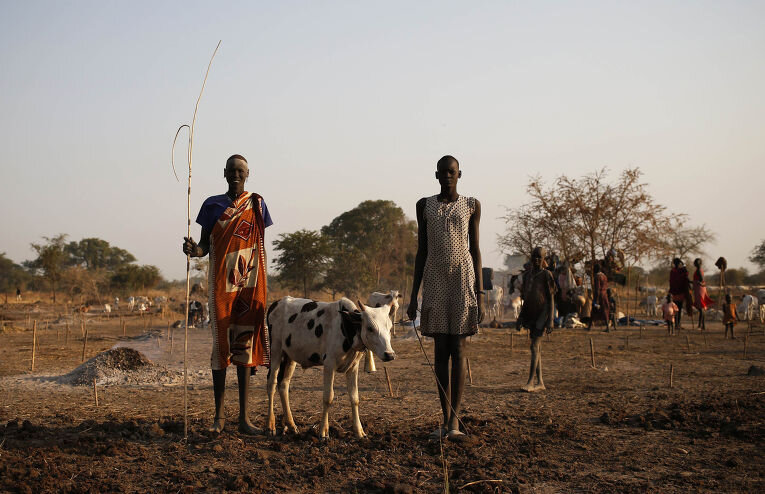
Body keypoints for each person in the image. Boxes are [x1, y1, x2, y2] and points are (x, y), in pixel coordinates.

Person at [182, 154, 273, 434]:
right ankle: (218, 418)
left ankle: (245, 419)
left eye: (240, 171)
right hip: (221, 286)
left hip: (249, 285)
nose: (236, 174)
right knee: (221, 348)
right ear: (224, 173)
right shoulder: (211, 205)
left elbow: (258, 245)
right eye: (231, 170)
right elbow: (203, 247)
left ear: (248, 174)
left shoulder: (257, 204)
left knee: (245, 347)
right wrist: (192, 251)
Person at [407, 155, 483, 440]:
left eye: (452, 172)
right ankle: (445, 418)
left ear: (459, 174)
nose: (447, 176)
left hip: (463, 280)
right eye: (443, 172)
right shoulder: (424, 206)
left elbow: (475, 250)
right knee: (440, 352)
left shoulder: (471, 205)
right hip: (435, 279)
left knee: (458, 350)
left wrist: (481, 294)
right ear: (436, 175)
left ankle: (454, 419)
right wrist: (413, 296)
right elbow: (421, 251)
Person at [516, 247, 556, 392]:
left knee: (534, 347)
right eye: (534, 257)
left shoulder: (547, 275)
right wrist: (520, 318)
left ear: (544, 259)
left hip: (542, 315)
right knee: (536, 348)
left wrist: (550, 319)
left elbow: (551, 299)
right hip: (530, 314)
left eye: (540, 257)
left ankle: (530, 382)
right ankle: (540, 382)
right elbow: (525, 299)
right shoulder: (527, 276)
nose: (536, 260)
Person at [669, 258, 692, 329]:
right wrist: (683, 264)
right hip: (681, 293)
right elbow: (686, 275)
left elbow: (671, 282)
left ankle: (676, 324)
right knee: (679, 308)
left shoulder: (672, 272)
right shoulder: (682, 271)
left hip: (674, 293)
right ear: (679, 263)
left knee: (676, 309)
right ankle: (678, 324)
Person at [692, 258, 714, 330]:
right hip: (698, 288)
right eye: (695, 262)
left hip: (699, 289)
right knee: (701, 307)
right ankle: (703, 325)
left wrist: (697, 283)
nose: (695, 263)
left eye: (696, 262)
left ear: (699, 263)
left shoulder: (699, 270)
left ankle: (699, 325)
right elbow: (697, 280)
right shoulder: (699, 270)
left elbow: (701, 280)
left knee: (700, 307)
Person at [588, 263, 610, 331]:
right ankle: (607, 327)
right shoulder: (604, 276)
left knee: (594, 310)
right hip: (604, 295)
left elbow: (597, 288)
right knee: (605, 311)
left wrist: (596, 299)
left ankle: (589, 327)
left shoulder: (597, 277)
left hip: (599, 295)